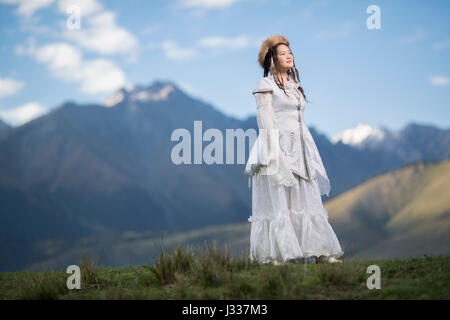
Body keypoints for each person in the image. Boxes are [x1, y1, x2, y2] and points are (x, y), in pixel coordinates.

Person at [244, 35, 344, 265]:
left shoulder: (294, 86)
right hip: (277, 144)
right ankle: (281, 254)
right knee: (280, 200)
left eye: (290, 52)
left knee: (306, 197)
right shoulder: (265, 85)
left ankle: (320, 250)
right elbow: (265, 119)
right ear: (272, 59)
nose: (289, 56)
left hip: (300, 146)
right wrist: (273, 152)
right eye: (282, 53)